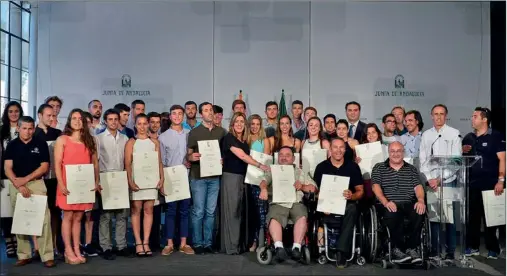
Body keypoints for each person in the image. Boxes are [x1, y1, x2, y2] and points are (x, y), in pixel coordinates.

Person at [4, 116, 55, 268]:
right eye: (24, 128)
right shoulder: (12, 145)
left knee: (44, 221)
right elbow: (7, 168)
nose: (27, 131)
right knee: (21, 220)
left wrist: (25, 180)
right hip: (16, 184)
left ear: (34, 128)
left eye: (30, 128)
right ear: (18, 128)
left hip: (37, 184)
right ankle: (23, 255)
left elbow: (44, 167)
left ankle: (47, 255)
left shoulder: (40, 143)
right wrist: (18, 184)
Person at [54, 108, 100, 265]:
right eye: (74, 118)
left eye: (80, 118)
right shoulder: (62, 140)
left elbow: (95, 164)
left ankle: (77, 249)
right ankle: (68, 250)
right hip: (67, 183)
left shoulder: (90, 140)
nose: (77, 121)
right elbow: (57, 164)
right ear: (69, 120)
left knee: (79, 217)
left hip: (83, 185)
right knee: (67, 216)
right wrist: (60, 183)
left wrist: (96, 181)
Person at [220, 112, 270, 255]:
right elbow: (242, 156)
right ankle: (231, 246)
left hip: (244, 178)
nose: (239, 124)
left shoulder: (243, 140)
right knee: (232, 212)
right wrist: (260, 165)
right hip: (231, 177)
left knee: (239, 211)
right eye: (237, 121)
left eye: (242, 122)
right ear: (232, 124)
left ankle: (239, 244)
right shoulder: (229, 138)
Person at [259, 146, 317, 262]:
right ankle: (279, 247)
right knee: (274, 215)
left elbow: (314, 188)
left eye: (287, 155)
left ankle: (297, 248)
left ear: (293, 158)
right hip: (278, 202)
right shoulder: (273, 170)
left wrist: (302, 186)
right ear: (278, 157)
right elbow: (263, 181)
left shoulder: (301, 172)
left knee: (301, 215)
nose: (284, 158)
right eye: (281, 155)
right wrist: (264, 189)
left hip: (296, 202)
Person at [371, 141, 426, 264]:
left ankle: (411, 248)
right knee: (393, 213)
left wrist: (421, 200)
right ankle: (397, 249)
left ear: (403, 152)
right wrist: (386, 202)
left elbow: (418, 187)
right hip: (388, 203)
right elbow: (376, 187)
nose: (396, 154)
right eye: (393, 151)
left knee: (419, 211)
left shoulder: (411, 169)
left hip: (407, 202)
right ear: (388, 152)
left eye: (399, 151)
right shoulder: (379, 167)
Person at [419, 104, 461, 260]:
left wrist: (439, 179)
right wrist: (430, 178)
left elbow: (456, 161)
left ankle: (450, 252)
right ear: (431, 116)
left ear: (446, 116)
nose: (438, 117)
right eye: (435, 114)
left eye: (441, 114)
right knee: (434, 218)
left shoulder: (454, 133)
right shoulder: (426, 135)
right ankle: (435, 251)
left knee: (449, 219)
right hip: (431, 182)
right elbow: (423, 159)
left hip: (447, 181)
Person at [313, 137, 364, 268]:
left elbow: (360, 191)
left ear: (345, 149)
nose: (338, 150)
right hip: (326, 208)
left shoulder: (352, 167)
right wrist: (323, 204)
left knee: (352, 209)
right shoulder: (321, 167)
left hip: (347, 205)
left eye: (341, 147)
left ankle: (341, 252)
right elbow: (316, 192)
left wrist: (352, 196)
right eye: (335, 147)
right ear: (330, 150)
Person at [463, 107, 505, 259]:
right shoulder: (468, 137)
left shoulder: (496, 136)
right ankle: (472, 246)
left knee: (490, 218)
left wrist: (501, 180)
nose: (472, 119)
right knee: (472, 218)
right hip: (472, 183)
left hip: (491, 183)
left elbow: (502, 159)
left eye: (475, 116)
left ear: (484, 119)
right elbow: (463, 160)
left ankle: (493, 248)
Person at [187, 102, 227, 254]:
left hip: (214, 177)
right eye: (206, 110)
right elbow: (188, 154)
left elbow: (225, 153)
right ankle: (197, 243)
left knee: (210, 211)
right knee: (198, 211)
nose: (209, 112)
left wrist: (223, 159)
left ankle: (208, 243)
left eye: (211, 110)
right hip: (198, 177)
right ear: (200, 114)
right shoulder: (194, 132)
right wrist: (192, 157)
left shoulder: (221, 132)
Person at [125, 113, 165, 257]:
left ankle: (146, 242)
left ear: (148, 124)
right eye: (139, 123)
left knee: (149, 210)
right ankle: (138, 242)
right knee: (136, 210)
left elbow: (159, 162)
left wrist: (162, 178)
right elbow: (127, 164)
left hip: (151, 182)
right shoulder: (131, 142)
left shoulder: (154, 142)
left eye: (144, 123)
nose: (142, 126)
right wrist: (130, 181)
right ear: (135, 125)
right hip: (137, 182)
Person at [159, 105, 194, 256]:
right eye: (174, 114)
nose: (177, 116)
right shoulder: (163, 137)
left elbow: (193, 154)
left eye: (180, 114)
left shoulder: (190, 134)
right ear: (170, 117)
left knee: (185, 211)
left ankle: (184, 244)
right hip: (171, 177)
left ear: (183, 116)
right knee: (171, 211)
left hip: (186, 177)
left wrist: (190, 161)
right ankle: (169, 244)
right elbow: (161, 161)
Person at [96, 109, 130, 260]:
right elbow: (95, 161)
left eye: (116, 119)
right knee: (106, 216)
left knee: (122, 216)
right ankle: (106, 247)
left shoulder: (125, 138)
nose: (114, 122)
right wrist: (97, 180)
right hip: (105, 177)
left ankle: (121, 246)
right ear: (105, 121)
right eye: (110, 119)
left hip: (121, 177)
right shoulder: (98, 138)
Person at [34, 104, 63, 257]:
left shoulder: (58, 133)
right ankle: (37, 248)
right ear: (40, 115)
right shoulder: (32, 134)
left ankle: (53, 245)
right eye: (48, 115)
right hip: (37, 180)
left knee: (55, 213)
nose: (52, 118)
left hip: (54, 180)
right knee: (37, 213)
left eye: (53, 115)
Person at [0, 101, 23, 258]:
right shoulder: (1, 131)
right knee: (6, 212)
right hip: (4, 176)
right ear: (6, 114)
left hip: (22, 176)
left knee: (19, 211)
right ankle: (9, 241)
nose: (14, 114)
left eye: (16, 111)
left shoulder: (26, 129)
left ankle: (19, 241)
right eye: (10, 111)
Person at [246, 114, 271, 252]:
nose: (255, 126)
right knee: (249, 212)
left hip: (258, 180)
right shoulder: (245, 139)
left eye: (257, 124)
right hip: (246, 179)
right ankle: (251, 240)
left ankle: (259, 240)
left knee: (260, 212)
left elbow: (266, 161)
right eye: (252, 124)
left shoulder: (265, 140)